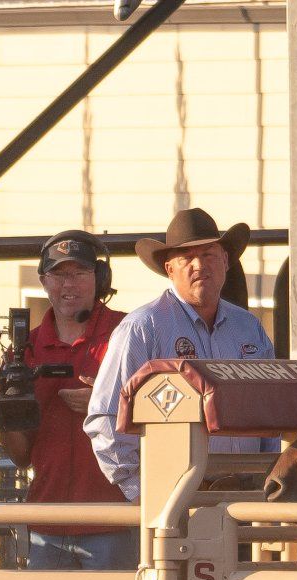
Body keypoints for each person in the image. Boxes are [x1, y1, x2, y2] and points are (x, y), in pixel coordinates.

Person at [84, 208, 276, 503]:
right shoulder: (142, 328)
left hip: (245, 500)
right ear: (169, 269)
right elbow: (105, 417)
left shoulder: (249, 328)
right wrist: (143, 495)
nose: (199, 265)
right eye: (186, 257)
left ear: (225, 261)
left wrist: (266, 485)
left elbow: (269, 412)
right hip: (172, 498)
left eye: (209, 254)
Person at [0, 231, 131, 570]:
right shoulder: (22, 350)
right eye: (60, 274)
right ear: (44, 281)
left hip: (115, 521)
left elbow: (162, 411)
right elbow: (20, 456)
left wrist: (107, 406)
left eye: (79, 273)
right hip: (45, 523)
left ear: (100, 278)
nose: (69, 284)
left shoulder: (129, 334)